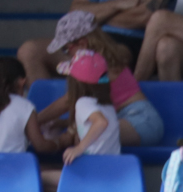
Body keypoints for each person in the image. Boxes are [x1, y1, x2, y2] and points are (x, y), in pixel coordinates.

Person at [28, 14, 165, 149]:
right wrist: (61, 123)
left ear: (82, 44)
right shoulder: (99, 60)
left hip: (142, 120)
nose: (67, 54)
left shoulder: (98, 65)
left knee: (84, 135)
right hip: (123, 118)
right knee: (82, 133)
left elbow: (69, 101)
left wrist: (33, 122)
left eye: (65, 49)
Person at [17, 2, 154, 88]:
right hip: (86, 36)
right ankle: (45, 118)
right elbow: (75, 12)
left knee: (97, 60)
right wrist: (117, 5)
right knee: (29, 51)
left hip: (130, 40)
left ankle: (88, 114)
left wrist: (91, 17)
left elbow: (145, 14)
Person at [59, 52, 122, 168]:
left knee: (43, 175)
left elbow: (101, 122)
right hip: (112, 166)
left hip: (94, 165)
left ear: (76, 83)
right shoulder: (108, 106)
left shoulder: (83, 102)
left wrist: (79, 148)